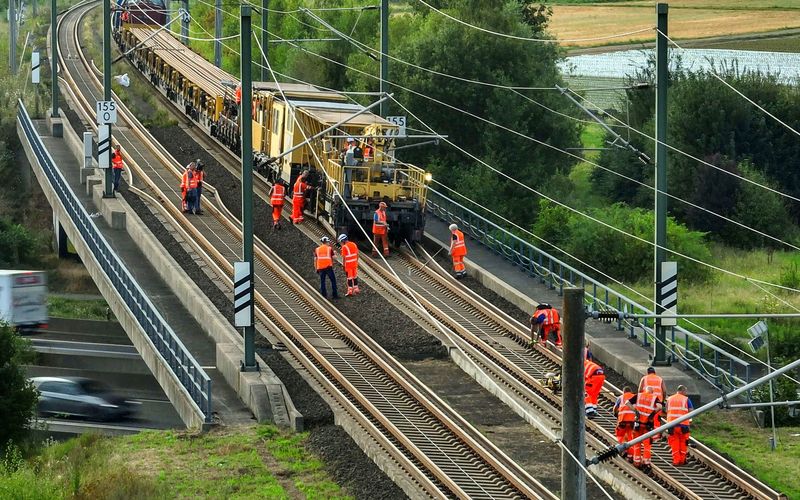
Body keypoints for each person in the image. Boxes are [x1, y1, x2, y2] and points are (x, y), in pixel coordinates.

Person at [625, 386, 663, 469]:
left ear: (644, 391)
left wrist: (635, 411)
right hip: (647, 424)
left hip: (637, 423)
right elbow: (660, 407)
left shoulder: (639, 395)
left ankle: (637, 461)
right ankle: (646, 462)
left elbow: (627, 402)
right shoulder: (653, 398)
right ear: (652, 392)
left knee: (636, 443)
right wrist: (652, 414)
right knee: (647, 444)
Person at [665, 385, 693, 466]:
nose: (686, 393)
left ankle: (676, 461)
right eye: (685, 391)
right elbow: (691, 411)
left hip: (672, 425)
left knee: (674, 443)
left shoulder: (669, 399)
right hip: (683, 425)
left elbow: (666, 410)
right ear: (682, 391)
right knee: (683, 442)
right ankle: (682, 460)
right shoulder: (686, 399)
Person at [639, 366, 668, 433]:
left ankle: (646, 431)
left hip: (647, 401)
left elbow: (640, 390)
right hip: (657, 402)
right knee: (656, 417)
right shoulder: (660, 379)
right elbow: (664, 391)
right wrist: (662, 400)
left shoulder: (644, 378)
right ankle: (656, 434)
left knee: (646, 416)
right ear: (655, 373)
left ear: (647, 373)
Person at [613, 386, 637, 462]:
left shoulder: (621, 397)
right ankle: (630, 455)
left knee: (620, 435)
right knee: (631, 438)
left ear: (624, 392)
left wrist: (616, 414)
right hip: (632, 421)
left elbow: (615, 408)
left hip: (622, 421)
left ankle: (623, 450)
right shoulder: (635, 397)